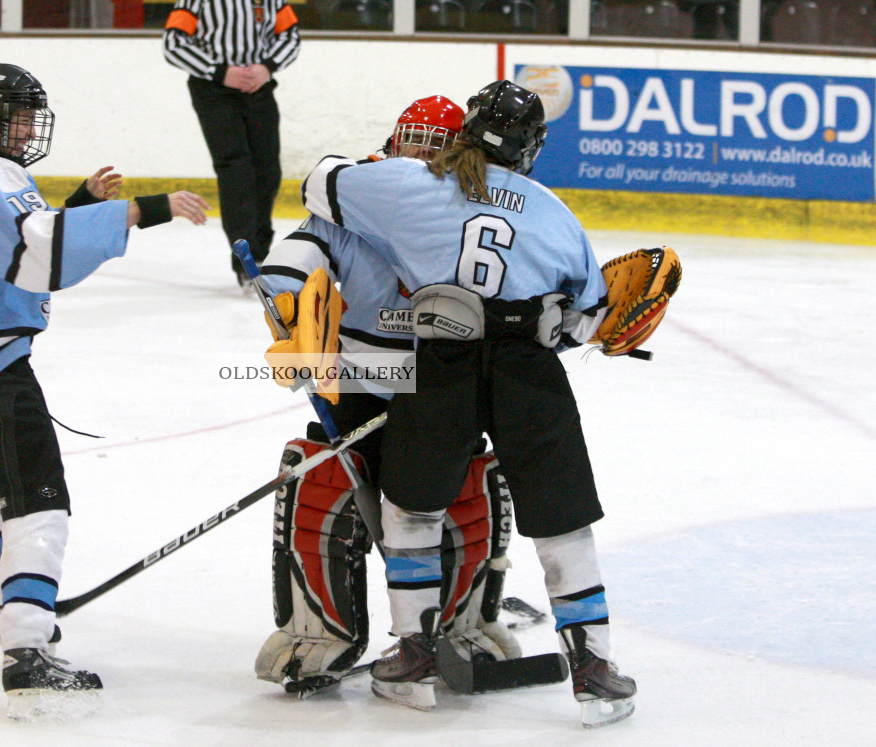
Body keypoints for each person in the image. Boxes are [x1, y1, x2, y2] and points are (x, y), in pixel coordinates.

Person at [299, 80, 637, 725]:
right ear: (530, 147)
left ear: (463, 133)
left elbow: (319, 182)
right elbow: (587, 317)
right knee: (563, 519)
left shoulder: (411, 185)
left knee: (412, 505)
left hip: (443, 361)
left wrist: (383, 168)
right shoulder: (553, 210)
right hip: (527, 371)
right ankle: (593, 666)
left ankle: (414, 654)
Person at [0, 62, 209, 716]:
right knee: (41, 493)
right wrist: (140, 210)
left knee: (11, 488)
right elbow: (37, 256)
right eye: (14, 117)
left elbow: (9, 252)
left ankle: (17, 606)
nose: (24, 130)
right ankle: (27, 647)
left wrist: (75, 204)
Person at [252, 96, 522, 697]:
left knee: (464, 489)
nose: (421, 153)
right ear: (394, 140)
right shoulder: (362, 196)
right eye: (413, 139)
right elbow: (296, 257)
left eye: (437, 143)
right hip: (355, 379)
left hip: (440, 383)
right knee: (321, 482)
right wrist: (289, 309)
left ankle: (462, 624)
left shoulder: (476, 208)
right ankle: (318, 630)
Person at [162, 0, 301, 289]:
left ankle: (261, 251)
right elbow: (173, 44)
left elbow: (290, 35)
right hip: (214, 90)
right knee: (236, 169)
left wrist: (267, 66)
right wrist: (218, 70)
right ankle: (247, 260)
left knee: (267, 171)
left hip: (258, 89)